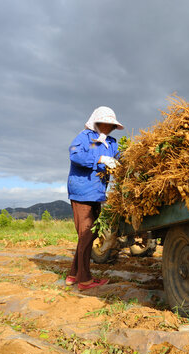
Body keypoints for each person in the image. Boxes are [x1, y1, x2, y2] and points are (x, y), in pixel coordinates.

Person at [66, 106, 124, 290]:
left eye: (111, 125)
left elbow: (120, 156)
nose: (107, 127)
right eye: (104, 123)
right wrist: (100, 160)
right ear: (96, 122)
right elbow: (75, 155)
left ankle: (73, 275)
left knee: (89, 235)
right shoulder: (84, 137)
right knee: (86, 234)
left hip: (98, 193)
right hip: (82, 191)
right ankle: (84, 280)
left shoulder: (112, 143)